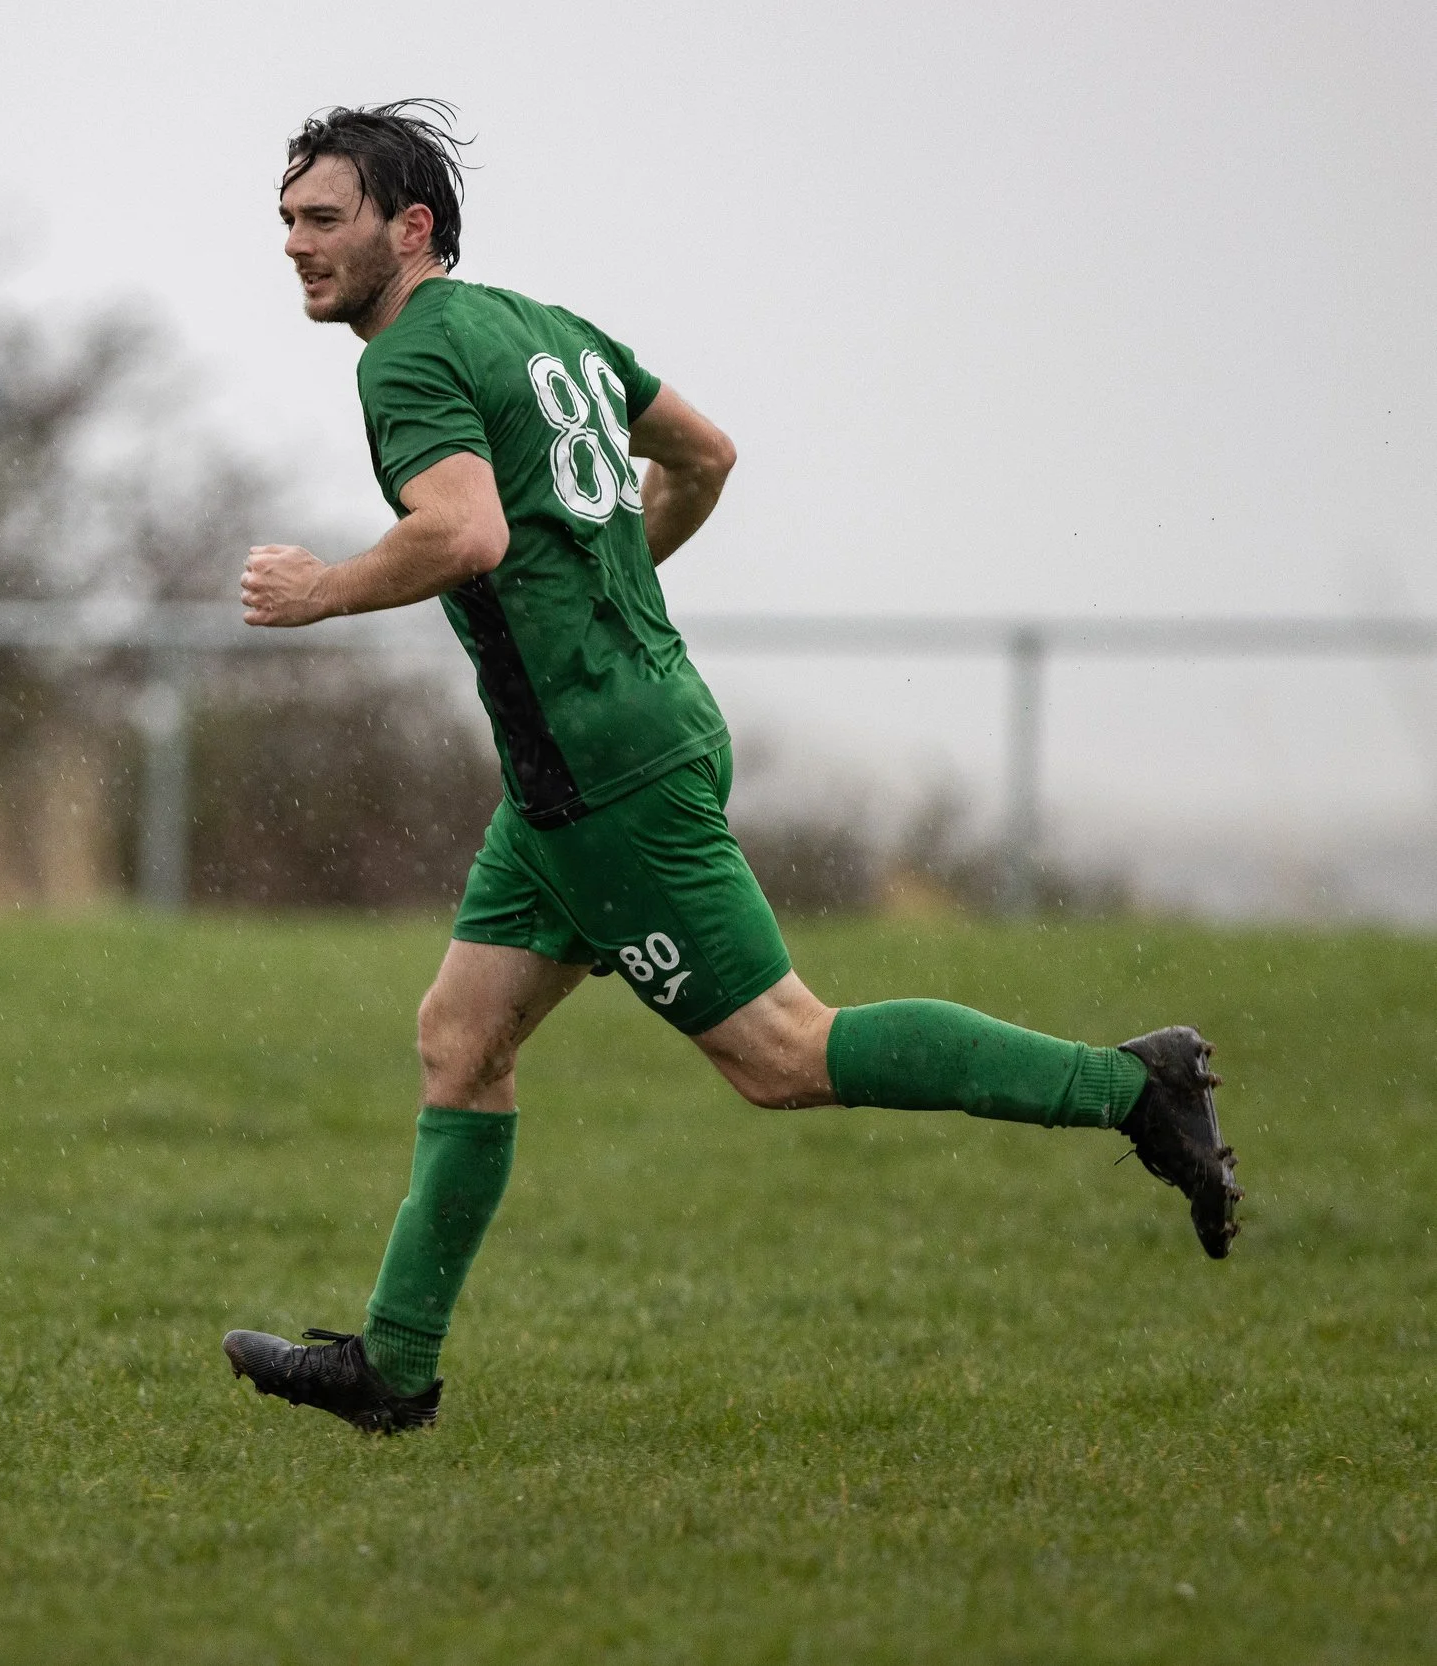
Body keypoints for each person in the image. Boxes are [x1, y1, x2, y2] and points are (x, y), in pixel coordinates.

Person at [221, 101, 1239, 1437]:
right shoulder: (546, 329)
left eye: (324, 219)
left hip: (604, 772)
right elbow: (703, 458)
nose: (296, 245)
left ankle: (1131, 1086)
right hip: (603, 750)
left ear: (410, 227)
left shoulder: (405, 358)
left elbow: (462, 533)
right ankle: (393, 1370)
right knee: (461, 1039)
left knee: (783, 1053)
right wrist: (608, 582)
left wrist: (324, 591)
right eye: (287, 219)